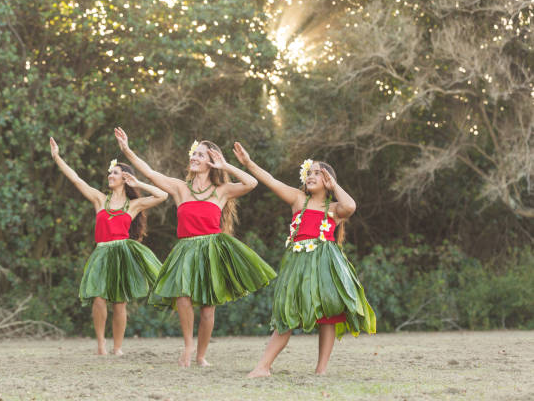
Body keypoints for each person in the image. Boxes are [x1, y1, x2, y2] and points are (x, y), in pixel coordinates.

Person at [114, 128, 277, 367]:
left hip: (211, 249)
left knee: (208, 309)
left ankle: (201, 355)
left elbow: (251, 182)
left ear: (211, 162)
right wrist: (126, 149)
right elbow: (149, 172)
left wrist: (226, 166)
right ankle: (188, 347)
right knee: (182, 297)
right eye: (195, 153)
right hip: (186, 249)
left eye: (201, 155)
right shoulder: (181, 188)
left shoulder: (221, 191)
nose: (195, 157)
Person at [232, 143, 376, 376]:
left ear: (328, 179)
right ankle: (263, 367)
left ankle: (321, 370)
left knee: (328, 315)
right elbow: (270, 180)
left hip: (326, 266)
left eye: (318, 173)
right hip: (298, 264)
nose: (311, 175)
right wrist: (248, 163)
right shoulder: (299, 199)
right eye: (309, 172)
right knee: (287, 313)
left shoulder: (335, 208)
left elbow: (351, 206)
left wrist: (334, 185)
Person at [50, 137, 168, 355]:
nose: (109, 175)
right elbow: (76, 179)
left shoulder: (132, 205)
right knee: (98, 297)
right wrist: (57, 157)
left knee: (119, 303)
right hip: (102, 252)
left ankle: (117, 347)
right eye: (110, 172)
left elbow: (163, 195)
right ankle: (101, 345)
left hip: (122, 253)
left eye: (114, 173)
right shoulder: (99, 200)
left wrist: (138, 183)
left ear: (124, 178)